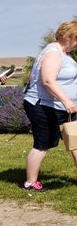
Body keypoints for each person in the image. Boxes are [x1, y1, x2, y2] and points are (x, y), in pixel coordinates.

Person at [22, 20, 77, 192]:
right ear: (69, 37)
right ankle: (31, 182)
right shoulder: (53, 53)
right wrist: (66, 100)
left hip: (62, 107)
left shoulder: (63, 54)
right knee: (43, 143)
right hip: (44, 106)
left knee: (75, 141)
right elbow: (48, 81)